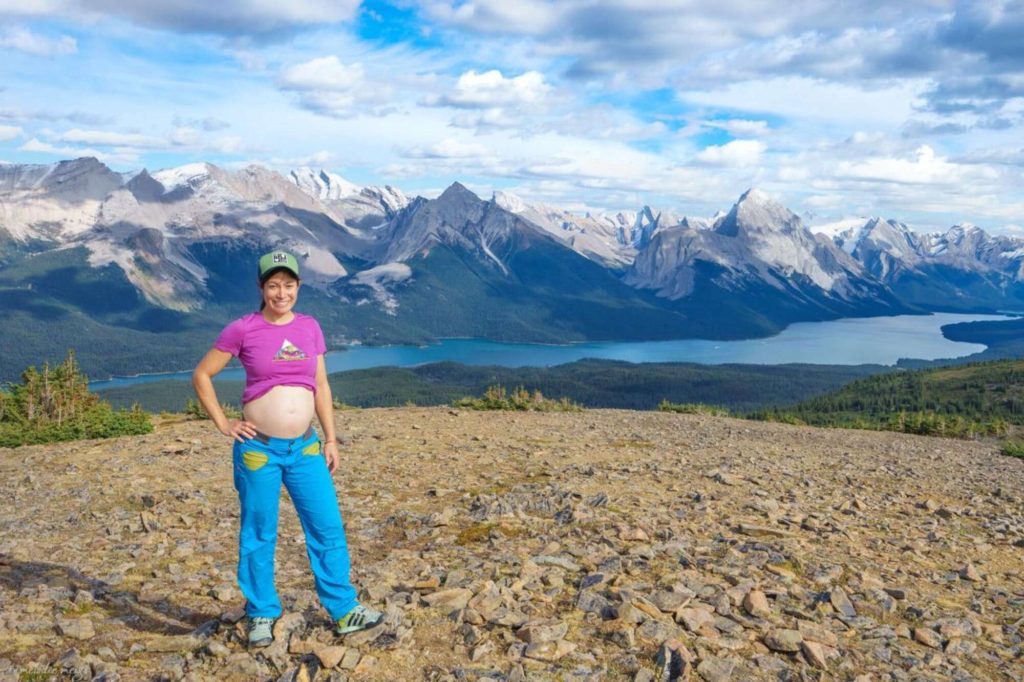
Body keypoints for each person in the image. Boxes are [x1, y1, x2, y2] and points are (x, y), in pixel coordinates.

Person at [192, 250, 382, 648]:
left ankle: (344, 609)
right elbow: (202, 375)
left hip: (306, 448)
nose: (282, 293)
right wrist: (224, 423)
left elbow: (321, 386)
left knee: (327, 526)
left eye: (289, 285)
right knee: (259, 531)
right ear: (261, 287)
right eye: (274, 284)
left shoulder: (310, 327)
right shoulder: (243, 329)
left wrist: (331, 437)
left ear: (298, 287)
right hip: (258, 450)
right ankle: (261, 611)